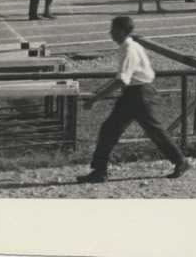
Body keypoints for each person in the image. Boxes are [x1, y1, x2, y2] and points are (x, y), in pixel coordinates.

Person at [76, 16, 189, 183]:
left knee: (153, 129)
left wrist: (95, 99)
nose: (110, 32)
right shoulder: (127, 46)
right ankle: (99, 171)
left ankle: (181, 161)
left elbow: (122, 79)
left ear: (121, 31)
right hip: (132, 93)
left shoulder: (129, 49)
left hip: (140, 94)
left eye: (113, 29)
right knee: (109, 129)